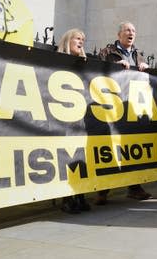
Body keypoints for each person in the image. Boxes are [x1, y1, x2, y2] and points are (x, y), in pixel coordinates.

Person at [95, 21, 151, 205]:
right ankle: (102, 190)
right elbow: (97, 72)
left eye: (133, 30)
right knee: (110, 147)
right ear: (119, 34)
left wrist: (144, 67)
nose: (131, 33)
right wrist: (114, 65)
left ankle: (134, 187)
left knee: (131, 146)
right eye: (127, 30)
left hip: (132, 107)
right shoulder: (107, 52)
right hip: (112, 107)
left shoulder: (138, 54)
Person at [56, 28, 91, 214]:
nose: (81, 42)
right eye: (78, 38)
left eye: (83, 39)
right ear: (68, 40)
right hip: (62, 120)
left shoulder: (84, 63)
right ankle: (67, 198)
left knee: (80, 158)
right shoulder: (55, 61)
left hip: (80, 120)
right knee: (66, 158)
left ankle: (80, 195)